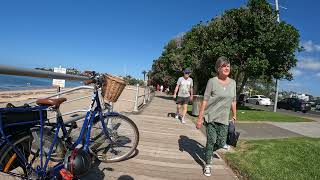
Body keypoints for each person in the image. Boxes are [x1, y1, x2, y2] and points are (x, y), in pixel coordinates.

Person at [196, 56, 237, 177]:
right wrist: (199, 118)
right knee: (211, 140)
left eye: (228, 66)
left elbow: (233, 100)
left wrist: (235, 114)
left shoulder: (233, 83)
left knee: (221, 142)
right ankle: (208, 164)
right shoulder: (212, 81)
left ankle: (208, 151)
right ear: (218, 68)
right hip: (211, 117)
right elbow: (205, 100)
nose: (226, 68)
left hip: (224, 118)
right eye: (223, 66)